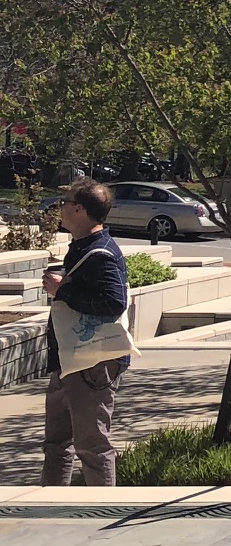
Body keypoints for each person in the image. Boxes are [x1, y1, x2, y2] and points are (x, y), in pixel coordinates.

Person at [42, 180, 131, 487]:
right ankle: (51, 505)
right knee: (56, 444)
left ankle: (102, 510)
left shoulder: (102, 253)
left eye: (65, 203)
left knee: (92, 447)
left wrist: (62, 290)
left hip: (92, 364)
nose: (61, 209)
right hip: (69, 358)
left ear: (79, 209)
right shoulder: (84, 248)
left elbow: (113, 303)